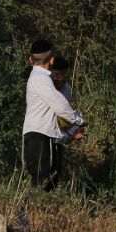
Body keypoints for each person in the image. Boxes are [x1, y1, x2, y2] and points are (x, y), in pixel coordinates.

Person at [22, 39, 84, 190]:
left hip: (40, 136)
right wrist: (79, 121)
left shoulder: (39, 77)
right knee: (43, 181)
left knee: (44, 181)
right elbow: (61, 108)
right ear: (52, 60)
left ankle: (36, 211)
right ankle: (35, 211)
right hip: (40, 135)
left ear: (30, 59)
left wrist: (71, 130)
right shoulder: (42, 79)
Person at [49, 56, 85, 144]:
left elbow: (66, 114)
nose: (60, 79)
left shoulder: (67, 89)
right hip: (45, 135)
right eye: (57, 76)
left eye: (64, 76)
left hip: (60, 138)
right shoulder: (46, 87)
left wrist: (75, 130)